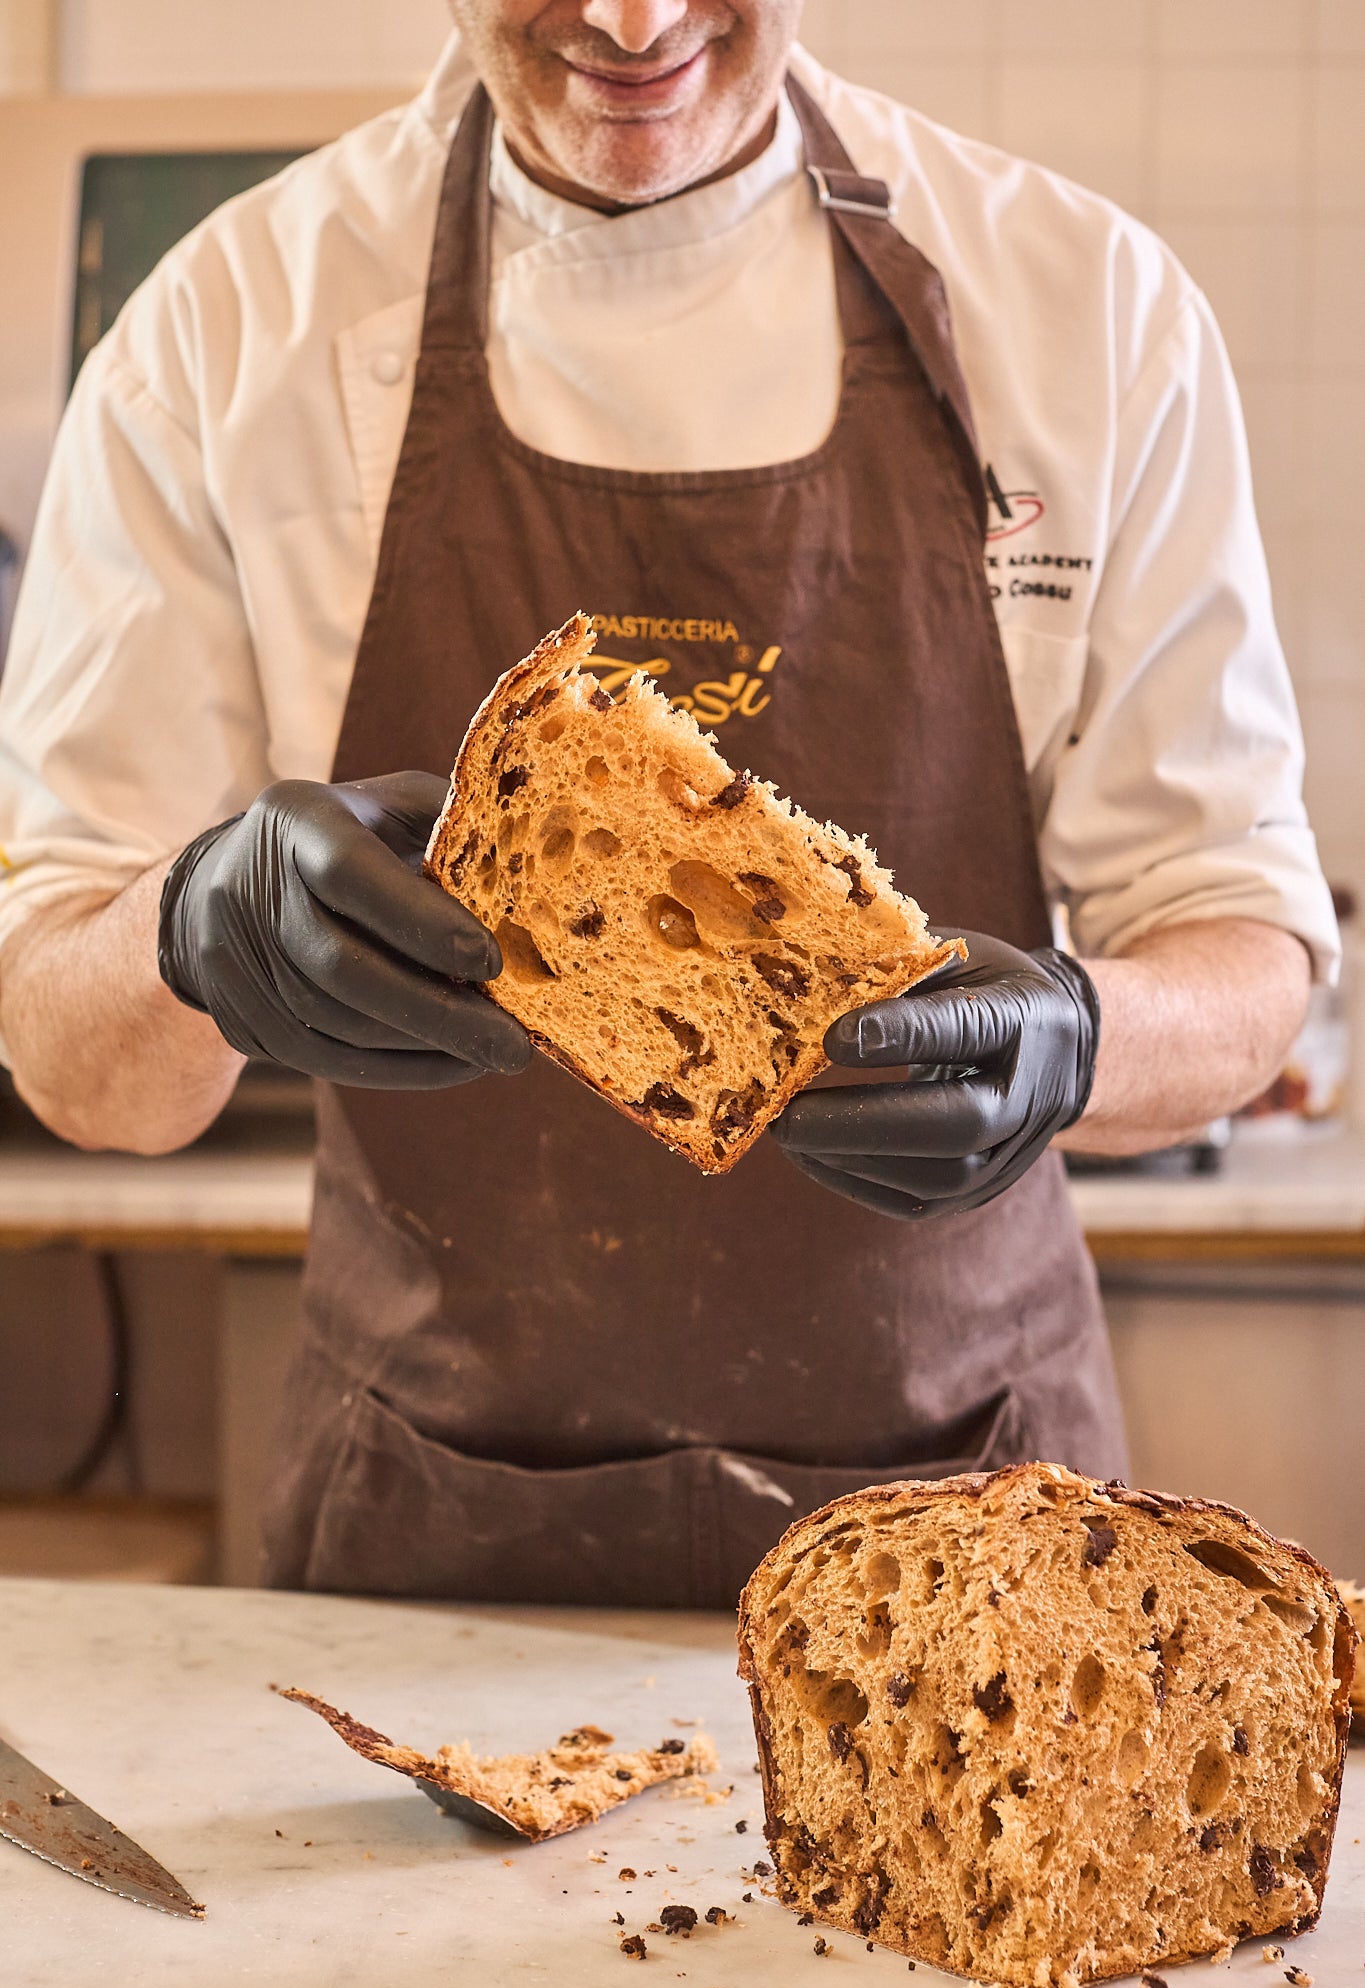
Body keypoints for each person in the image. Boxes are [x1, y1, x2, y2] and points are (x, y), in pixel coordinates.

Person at [0, 2, 1335, 1603]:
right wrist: (186, 934)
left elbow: (1242, 954)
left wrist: (1072, 1042)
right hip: (437, 1539)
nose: (632, 24)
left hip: (970, 1543)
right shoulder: (225, 332)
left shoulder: (1082, 309)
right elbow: (88, 1075)